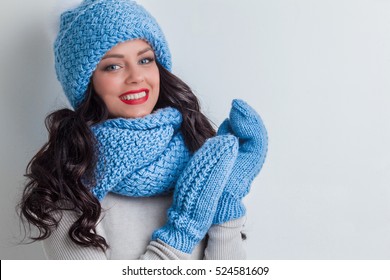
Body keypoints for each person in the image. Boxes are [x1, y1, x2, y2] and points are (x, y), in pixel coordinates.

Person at [18, 0, 268, 260]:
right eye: (113, 66)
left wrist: (226, 203)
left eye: (145, 59)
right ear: (87, 82)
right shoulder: (67, 184)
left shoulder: (199, 156)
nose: (136, 76)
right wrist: (182, 232)